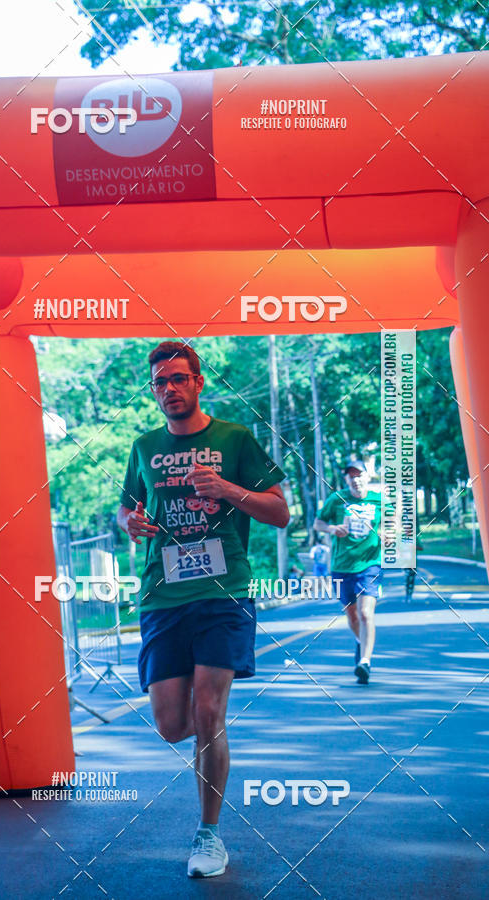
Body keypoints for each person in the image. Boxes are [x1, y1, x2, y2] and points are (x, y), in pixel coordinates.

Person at [117, 341, 289, 878]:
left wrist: (229, 488)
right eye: (159, 383)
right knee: (173, 725)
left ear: (198, 382)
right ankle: (212, 743)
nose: (168, 389)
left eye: (178, 379)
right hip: (163, 596)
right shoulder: (144, 447)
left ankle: (209, 834)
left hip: (224, 592)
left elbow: (281, 512)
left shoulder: (234, 439)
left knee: (210, 712)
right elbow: (128, 507)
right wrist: (131, 523)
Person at [313, 460, 384, 685]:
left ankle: (364, 661)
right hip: (341, 566)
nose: (355, 479)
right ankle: (359, 640)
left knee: (365, 613)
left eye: (359, 474)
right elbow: (318, 523)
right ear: (346, 479)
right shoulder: (337, 499)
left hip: (370, 563)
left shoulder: (379, 500)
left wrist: (389, 534)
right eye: (351, 475)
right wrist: (332, 528)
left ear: (367, 477)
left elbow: (395, 524)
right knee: (352, 615)